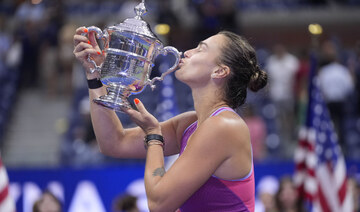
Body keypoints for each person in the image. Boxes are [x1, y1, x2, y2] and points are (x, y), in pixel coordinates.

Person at [73, 28, 267, 211]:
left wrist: (153, 136)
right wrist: (95, 73)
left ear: (219, 71)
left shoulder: (224, 126)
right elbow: (113, 142)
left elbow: (158, 203)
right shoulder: (191, 123)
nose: (187, 52)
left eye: (201, 49)